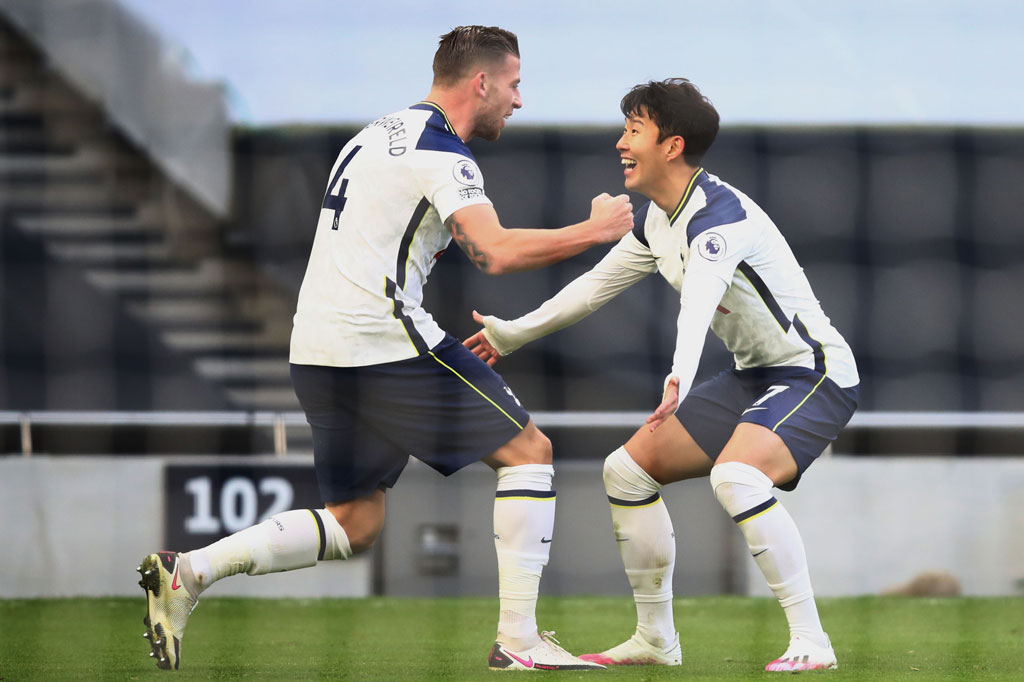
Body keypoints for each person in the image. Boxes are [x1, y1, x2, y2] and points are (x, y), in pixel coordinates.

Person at [136, 25, 632, 672]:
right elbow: (494, 252)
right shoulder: (442, 152)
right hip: (380, 341)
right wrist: (594, 230)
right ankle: (519, 641)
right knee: (529, 452)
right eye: (514, 85)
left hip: (316, 350)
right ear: (481, 82)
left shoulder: (373, 133)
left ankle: (190, 572)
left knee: (356, 520)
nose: (519, 100)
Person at [464, 78, 859, 673]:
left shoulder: (719, 219)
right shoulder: (657, 219)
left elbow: (698, 303)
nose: (621, 143)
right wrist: (511, 333)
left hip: (815, 373)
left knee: (737, 478)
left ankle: (812, 641)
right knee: (625, 473)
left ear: (672, 146)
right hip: (755, 375)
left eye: (634, 130)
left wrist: (679, 376)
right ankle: (655, 640)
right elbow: (595, 287)